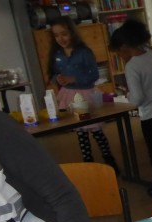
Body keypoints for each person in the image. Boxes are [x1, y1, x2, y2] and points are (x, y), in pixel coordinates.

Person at [108, 20, 152, 187]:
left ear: (124, 47)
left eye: (119, 53)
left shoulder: (132, 66)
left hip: (150, 115)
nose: (120, 57)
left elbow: (137, 98)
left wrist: (128, 96)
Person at [48, 16, 120, 175]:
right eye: (56, 35)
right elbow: (52, 74)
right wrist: (57, 79)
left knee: (95, 130)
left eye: (64, 34)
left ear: (72, 33)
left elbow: (94, 75)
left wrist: (74, 79)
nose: (61, 38)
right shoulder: (57, 54)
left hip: (85, 95)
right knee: (80, 132)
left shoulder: (84, 52)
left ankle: (109, 160)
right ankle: (88, 163)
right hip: (68, 96)